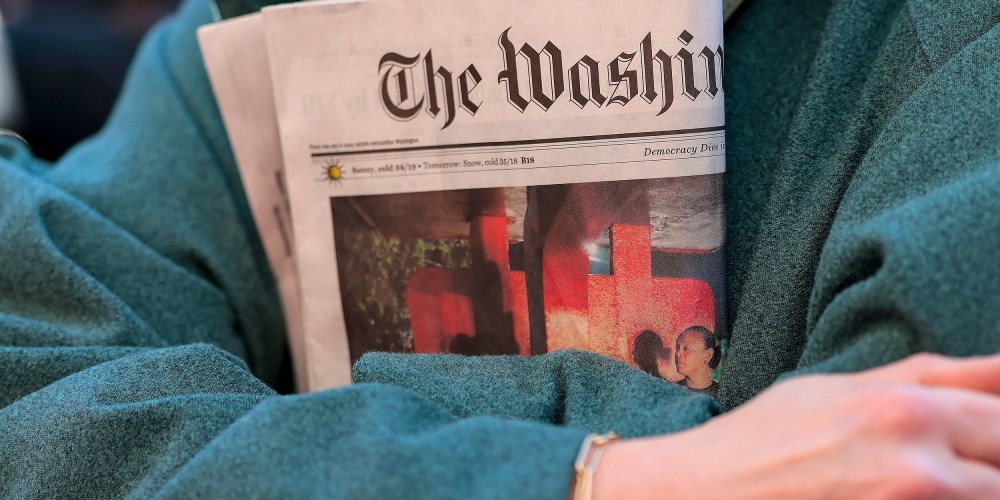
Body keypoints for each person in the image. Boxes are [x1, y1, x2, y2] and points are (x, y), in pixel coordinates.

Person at [1, 0, 998, 497]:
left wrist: (268, 434)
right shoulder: (240, 43)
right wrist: (605, 474)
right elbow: (36, 404)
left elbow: (916, 455)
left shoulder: (948, 50)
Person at [674, 326, 720, 397]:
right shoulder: (669, 392)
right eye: (677, 347)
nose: (678, 353)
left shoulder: (724, 396)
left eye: (686, 348)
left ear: (708, 355)